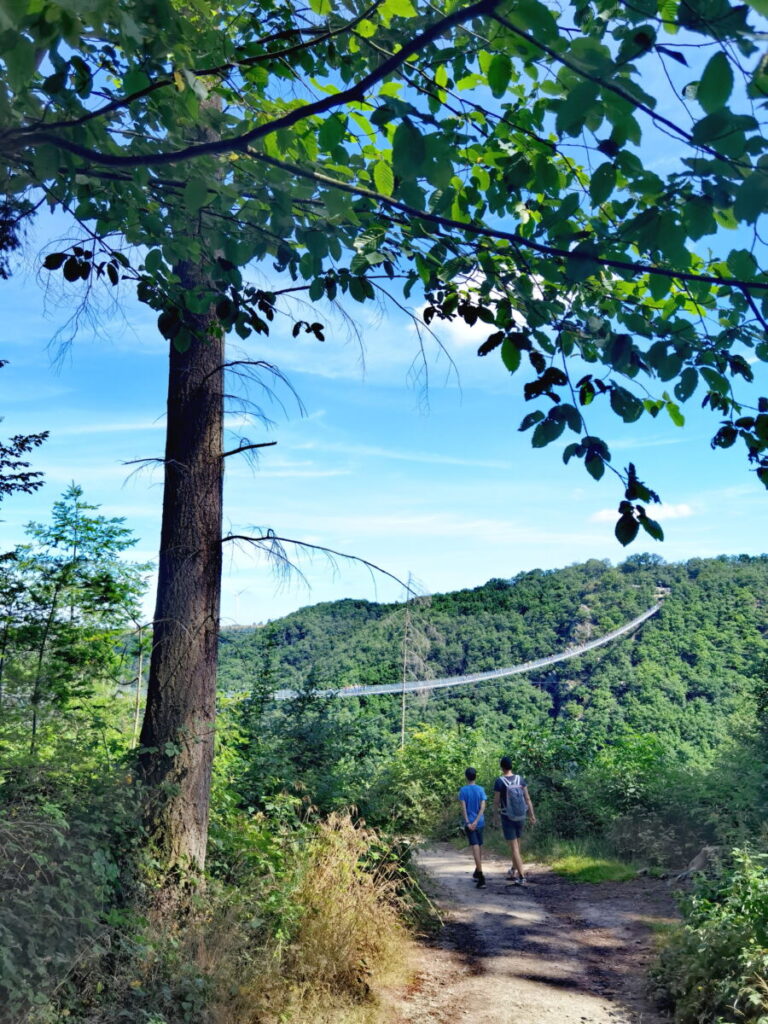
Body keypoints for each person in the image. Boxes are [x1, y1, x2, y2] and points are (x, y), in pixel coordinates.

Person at [493, 755, 536, 885]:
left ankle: (521, 876)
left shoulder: (499, 781)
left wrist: (494, 816)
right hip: (521, 816)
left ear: (502, 767)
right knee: (517, 843)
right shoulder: (520, 779)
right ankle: (513, 869)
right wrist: (531, 815)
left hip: (507, 816)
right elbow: (527, 799)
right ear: (511, 766)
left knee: (514, 848)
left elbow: (496, 801)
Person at [458, 766, 487, 888]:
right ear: (476, 776)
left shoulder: (463, 790)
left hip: (470, 823)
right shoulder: (480, 789)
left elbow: (463, 808)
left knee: (475, 846)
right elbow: (483, 807)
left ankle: (480, 875)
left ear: (466, 777)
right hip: (479, 822)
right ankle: (477, 870)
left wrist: (469, 822)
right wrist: (476, 821)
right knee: (479, 846)